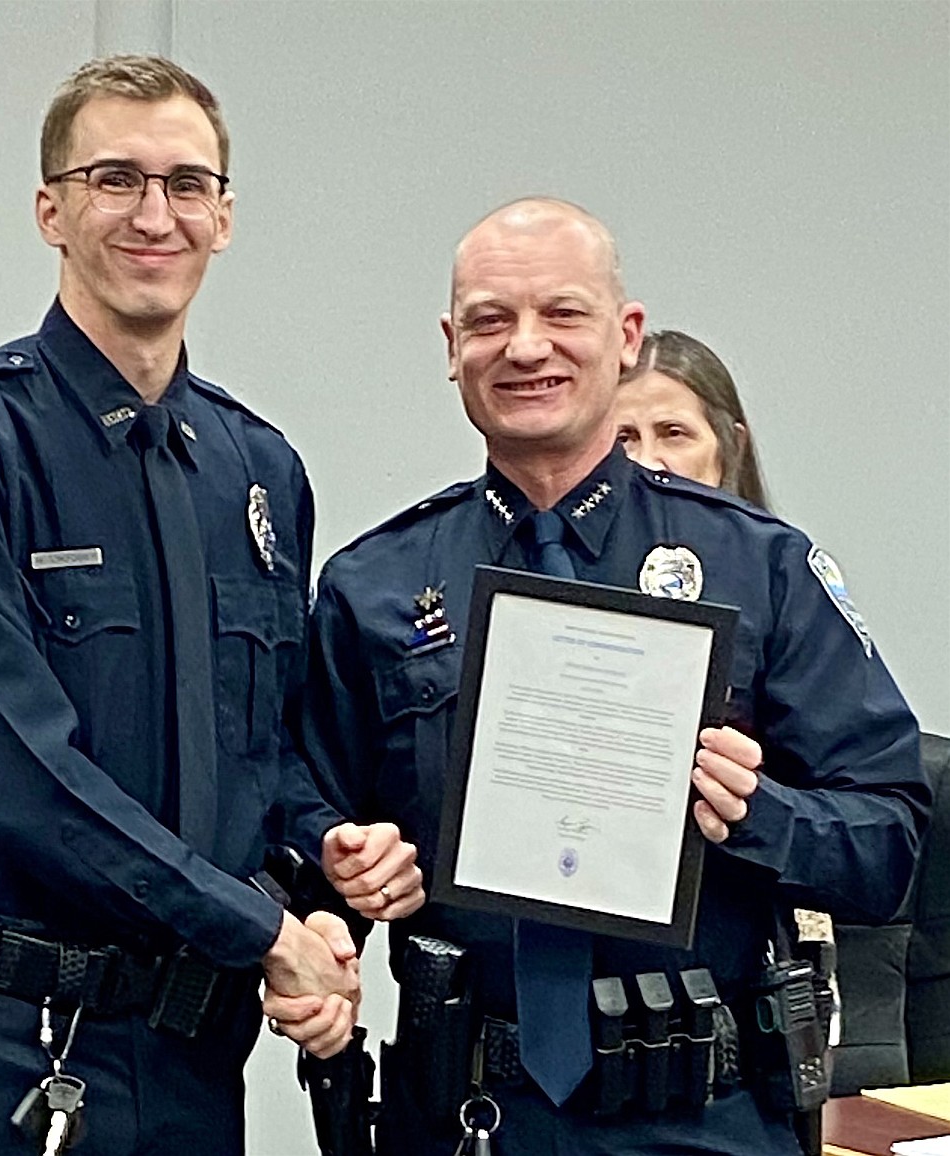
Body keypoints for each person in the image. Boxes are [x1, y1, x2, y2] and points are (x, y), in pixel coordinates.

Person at [0, 54, 420, 1156]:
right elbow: (14, 778)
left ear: (225, 218)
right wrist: (262, 930)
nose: (156, 214)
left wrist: (324, 850)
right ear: (51, 210)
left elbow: (263, 750)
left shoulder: (257, 471)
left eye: (187, 184)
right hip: (7, 1055)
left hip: (195, 1059)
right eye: (116, 179)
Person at [299, 198, 928, 1154]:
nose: (525, 348)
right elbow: (297, 826)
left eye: (562, 314)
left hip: (700, 1115)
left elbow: (891, 845)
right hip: (469, 1118)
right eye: (490, 320)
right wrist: (337, 871)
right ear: (450, 345)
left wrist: (759, 813)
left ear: (625, 337)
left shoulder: (757, 567)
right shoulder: (375, 584)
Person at [614, 329, 769, 508]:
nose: (646, 463)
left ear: (733, 447)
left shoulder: (780, 537)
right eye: (623, 439)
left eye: (674, 434)